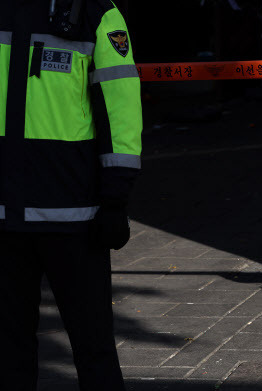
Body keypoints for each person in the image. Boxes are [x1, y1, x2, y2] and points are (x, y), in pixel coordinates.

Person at [0, 0, 142, 389]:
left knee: (93, 347)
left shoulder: (95, 10)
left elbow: (120, 107)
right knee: (6, 354)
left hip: (74, 216)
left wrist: (115, 197)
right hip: (4, 217)